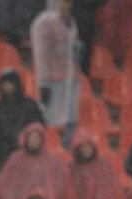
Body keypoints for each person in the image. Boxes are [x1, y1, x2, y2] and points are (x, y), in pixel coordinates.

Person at [30, 0, 80, 135]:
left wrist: (77, 62)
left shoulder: (71, 21)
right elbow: (41, 53)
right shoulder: (44, 23)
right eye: (63, 3)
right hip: (53, 79)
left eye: (68, 3)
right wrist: (44, 82)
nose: (66, 6)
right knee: (51, 118)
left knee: (70, 117)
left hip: (70, 77)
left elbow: (75, 46)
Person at [0, 69, 45, 170]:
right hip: (4, 158)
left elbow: (39, 128)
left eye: (10, 82)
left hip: (28, 154)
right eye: (4, 83)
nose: (7, 86)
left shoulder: (29, 104)